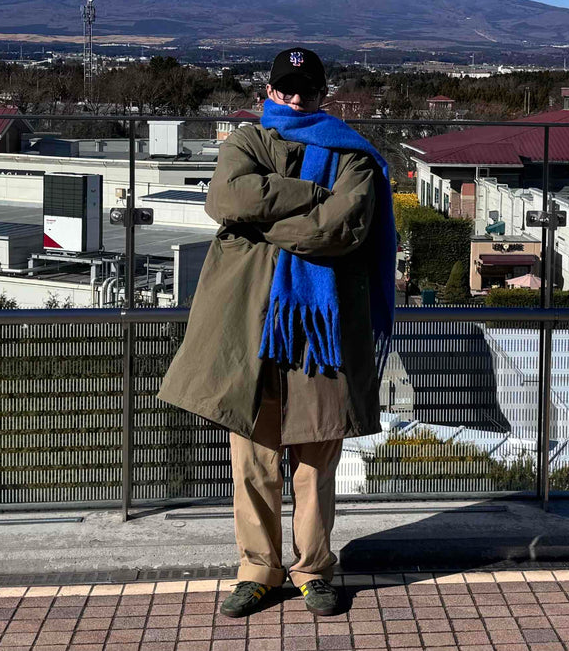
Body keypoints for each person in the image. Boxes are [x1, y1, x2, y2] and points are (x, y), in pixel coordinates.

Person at [157, 46, 396, 618]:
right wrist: (314, 197)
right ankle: (257, 570)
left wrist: (264, 220)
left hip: (321, 332)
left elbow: (342, 231)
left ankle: (314, 569)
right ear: (268, 92)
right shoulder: (245, 141)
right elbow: (226, 198)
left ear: (322, 96)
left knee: (315, 462)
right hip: (250, 328)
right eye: (286, 90)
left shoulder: (354, 156)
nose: (295, 100)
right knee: (254, 460)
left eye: (306, 92)